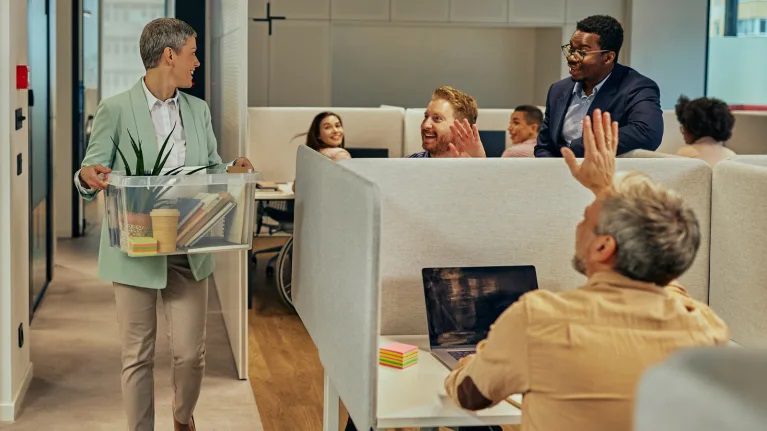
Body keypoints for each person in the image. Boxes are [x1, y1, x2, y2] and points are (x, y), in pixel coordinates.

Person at [444, 109, 729, 431]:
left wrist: (469, 363)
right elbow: (665, 274)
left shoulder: (539, 319)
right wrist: (604, 190)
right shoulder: (704, 330)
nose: (579, 226)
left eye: (586, 218)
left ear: (604, 247)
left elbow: (470, 396)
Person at [74, 18, 253, 431]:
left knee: (191, 354)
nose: (198, 61)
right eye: (192, 52)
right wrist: (87, 178)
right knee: (137, 354)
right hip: (136, 247)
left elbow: (207, 169)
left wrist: (229, 169)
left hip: (188, 246)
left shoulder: (197, 110)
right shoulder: (116, 109)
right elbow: (89, 169)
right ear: (169, 55)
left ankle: (182, 417)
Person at [534, 15, 663, 158]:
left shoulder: (637, 87)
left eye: (582, 52)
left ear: (608, 58)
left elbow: (647, 133)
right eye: (571, 49)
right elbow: (544, 146)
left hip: (606, 176)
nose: (571, 58)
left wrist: (575, 150)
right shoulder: (558, 90)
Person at [409, 85, 486, 158]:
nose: (425, 125)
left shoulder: (483, 168)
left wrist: (479, 166)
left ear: (461, 128)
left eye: (437, 118)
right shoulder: (406, 165)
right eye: (426, 117)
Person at [675, 95, 736, 166]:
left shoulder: (684, 153)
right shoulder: (731, 155)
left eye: (684, 127)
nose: (683, 133)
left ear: (693, 127)